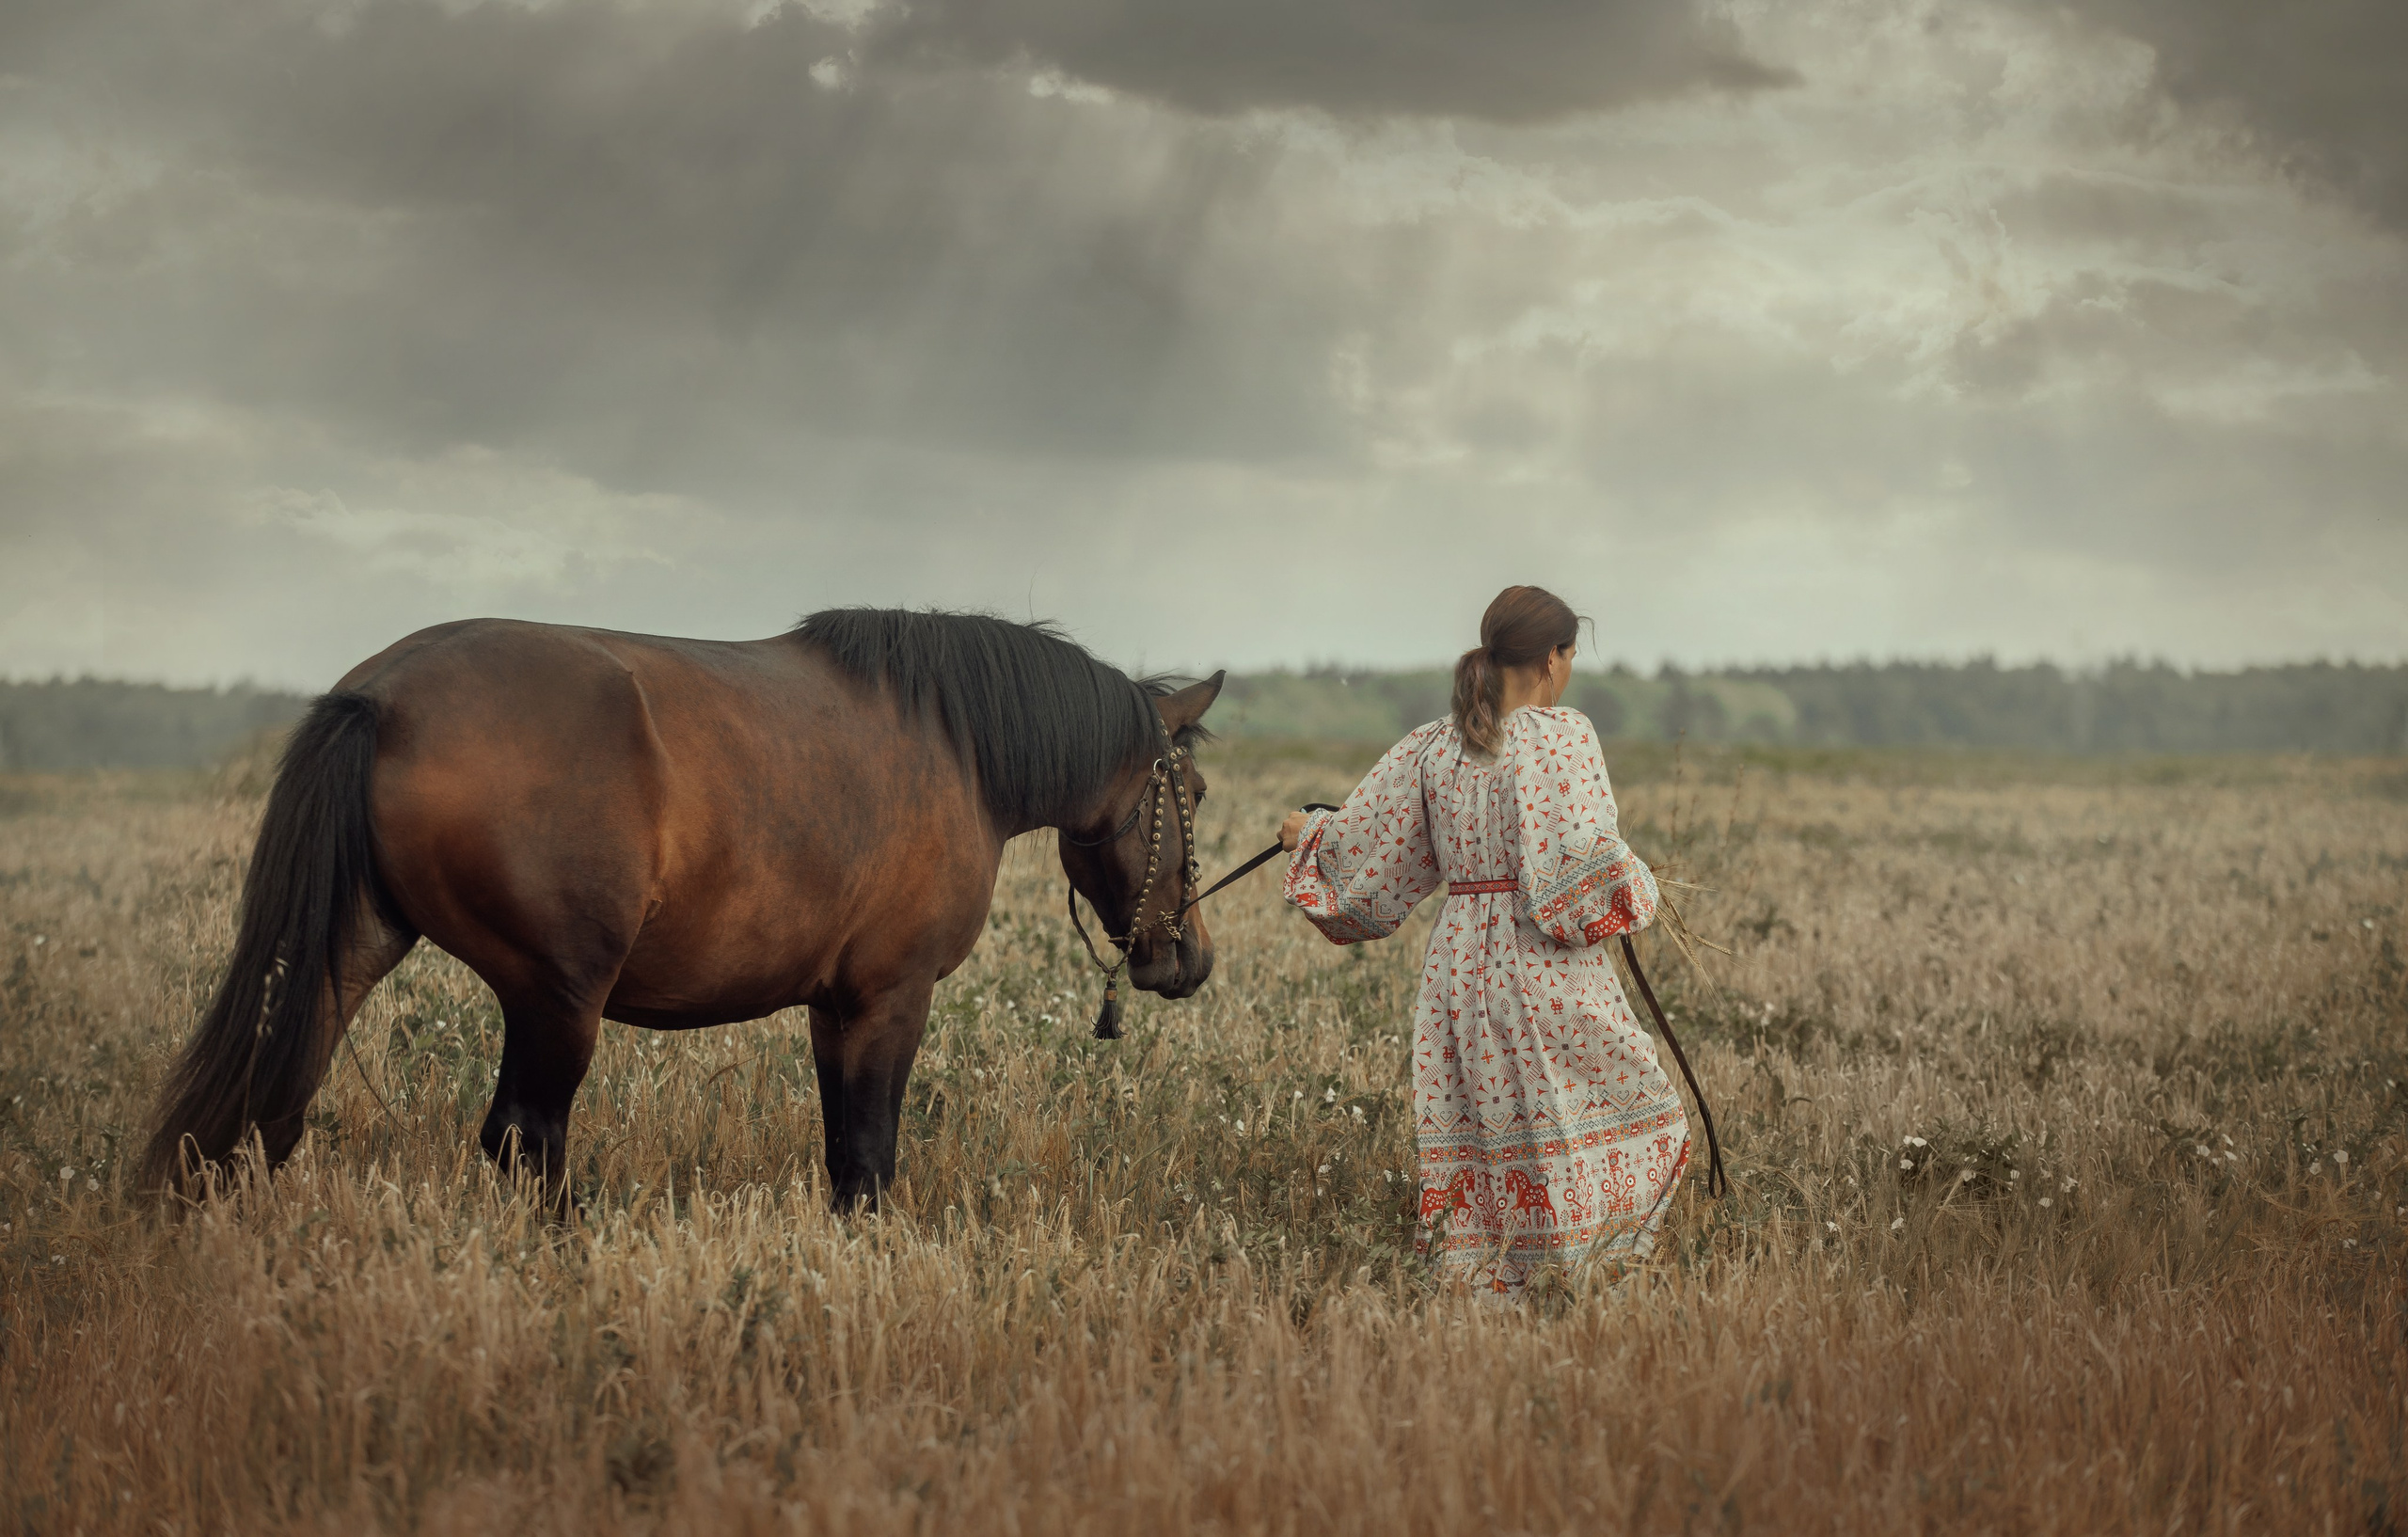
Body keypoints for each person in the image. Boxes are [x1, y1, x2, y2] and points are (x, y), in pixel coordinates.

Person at [1276, 585, 1687, 1296]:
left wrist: (1310, 835)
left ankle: (1490, 1277)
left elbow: (1372, 851)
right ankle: (1577, 1271)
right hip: (1538, 961)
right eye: (1571, 657)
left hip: (1458, 964)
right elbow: (1576, 875)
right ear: (1553, 659)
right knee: (1632, 1109)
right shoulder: (1563, 737)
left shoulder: (1433, 746)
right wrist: (1638, 889)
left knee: (1487, 1123)